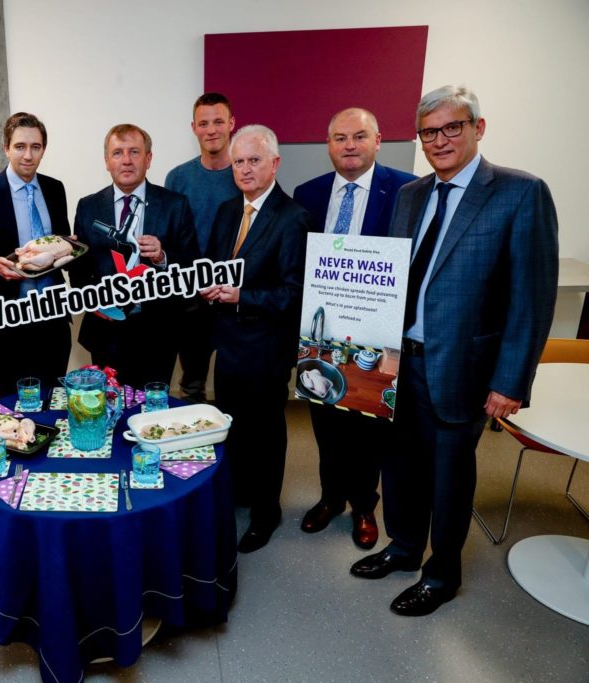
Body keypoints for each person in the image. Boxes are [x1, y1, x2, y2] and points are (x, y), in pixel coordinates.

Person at [350, 86, 558, 616]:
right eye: (428, 132)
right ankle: (402, 548)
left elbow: (530, 299)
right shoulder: (410, 195)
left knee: (448, 477)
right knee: (399, 468)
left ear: (477, 128)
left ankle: (442, 573)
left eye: (452, 128)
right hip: (400, 363)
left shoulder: (519, 192)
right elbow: (391, 283)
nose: (439, 140)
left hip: (462, 369)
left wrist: (511, 381)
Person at [293, 108, 418, 550]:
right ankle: (331, 498)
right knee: (325, 420)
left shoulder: (407, 189)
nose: (349, 145)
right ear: (328, 144)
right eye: (339, 137)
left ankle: (365, 505)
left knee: (368, 426)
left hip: (376, 331)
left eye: (359, 136)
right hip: (319, 331)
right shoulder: (307, 193)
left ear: (378, 140)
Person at [201, 125, 310, 553]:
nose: (245, 169)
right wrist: (205, 284)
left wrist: (241, 295)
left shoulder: (293, 217)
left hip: (266, 346)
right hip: (227, 342)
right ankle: (240, 493)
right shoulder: (229, 210)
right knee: (230, 423)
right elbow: (214, 264)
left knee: (264, 431)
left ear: (275, 164)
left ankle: (267, 512)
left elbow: (293, 293)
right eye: (239, 161)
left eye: (254, 160)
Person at [70, 123, 199, 388]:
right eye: (117, 153)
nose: (126, 160)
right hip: (106, 330)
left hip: (159, 331)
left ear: (148, 158)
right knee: (108, 407)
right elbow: (79, 270)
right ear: (107, 161)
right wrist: (94, 301)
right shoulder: (88, 206)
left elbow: (192, 263)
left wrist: (163, 256)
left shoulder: (175, 204)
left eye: (134, 152)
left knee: (152, 411)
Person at [0, 112, 71, 396]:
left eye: (36, 147)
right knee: (15, 400)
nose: (28, 155)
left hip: (53, 316)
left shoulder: (55, 189)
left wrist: (69, 246)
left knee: (55, 397)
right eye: (20, 146)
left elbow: (62, 243)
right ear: (5, 147)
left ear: (43, 149)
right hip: (9, 318)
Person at [165, 92, 241, 403]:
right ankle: (193, 450)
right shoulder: (178, 177)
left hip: (234, 297)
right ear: (194, 128)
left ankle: (232, 450)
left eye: (219, 122)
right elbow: (168, 236)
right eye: (204, 123)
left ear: (232, 124)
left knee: (234, 383)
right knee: (192, 385)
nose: (211, 130)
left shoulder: (245, 173)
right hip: (189, 299)